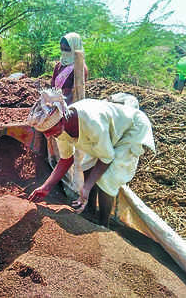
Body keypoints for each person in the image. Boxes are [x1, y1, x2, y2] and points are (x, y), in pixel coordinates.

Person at [27, 89, 155, 227]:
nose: (47, 136)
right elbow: (66, 159)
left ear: (62, 119)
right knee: (87, 165)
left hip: (130, 129)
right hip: (107, 132)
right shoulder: (60, 129)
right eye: (44, 132)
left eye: (49, 131)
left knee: (107, 179)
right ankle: (89, 211)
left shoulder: (92, 121)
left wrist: (87, 187)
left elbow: (106, 157)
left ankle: (103, 224)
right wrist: (46, 187)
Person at [51, 32, 88, 105]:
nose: (64, 52)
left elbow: (76, 91)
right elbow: (52, 84)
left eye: (67, 50)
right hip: (55, 102)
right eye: (62, 49)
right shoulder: (59, 65)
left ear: (75, 47)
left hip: (70, 106)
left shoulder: (80, 68)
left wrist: (61, 104)